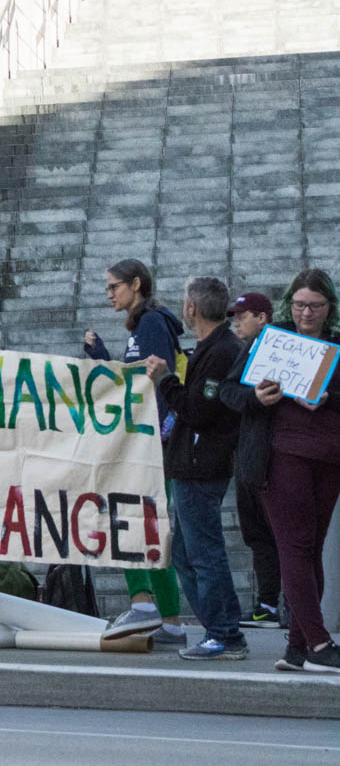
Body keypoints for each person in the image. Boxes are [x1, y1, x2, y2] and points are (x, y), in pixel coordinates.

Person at [220, 269, 340, 673]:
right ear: (291, 304)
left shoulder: (336, 342)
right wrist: (257, 397)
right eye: (300, 305)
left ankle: (296, 648)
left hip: (328, 459)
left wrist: (327, 397)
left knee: (311, 550)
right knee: (294, 547)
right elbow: (228, 392)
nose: (307, 313)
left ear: (329, 308)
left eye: (316, 306)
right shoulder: (269, 339)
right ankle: (320, 644)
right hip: (280, 455)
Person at [84, 258, 188, 649]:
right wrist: (103, 356)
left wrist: (150, 438)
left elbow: (158, 380)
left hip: (151, 443)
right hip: (150, 440)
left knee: (132, 520)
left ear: (136, 284)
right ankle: (171, 620)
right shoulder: (147, 324)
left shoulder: (151, 323)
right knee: (147, 525)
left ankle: (145, 603)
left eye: (114, 286)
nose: (109, 294)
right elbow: (135, 378)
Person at [144, 277, 246, 660]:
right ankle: (218, 629)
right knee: (185, 552)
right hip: (191, 462)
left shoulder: (222, 350)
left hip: (202, 465)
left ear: (192, 309)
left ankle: (225, 634)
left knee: (204, 552)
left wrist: (166, 380)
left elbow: (199, 411)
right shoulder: (212, 347)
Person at [227, 292, 283, 628]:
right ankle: (268, 605)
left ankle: (291, 606)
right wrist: (254, 398)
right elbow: (228, 392)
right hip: (249, 457)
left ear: (262, 317)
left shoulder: (283, 346)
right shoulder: (246, 350)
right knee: (258, 535)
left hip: (279, 458)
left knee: (285, 537)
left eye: (242, 315)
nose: (236, 321)